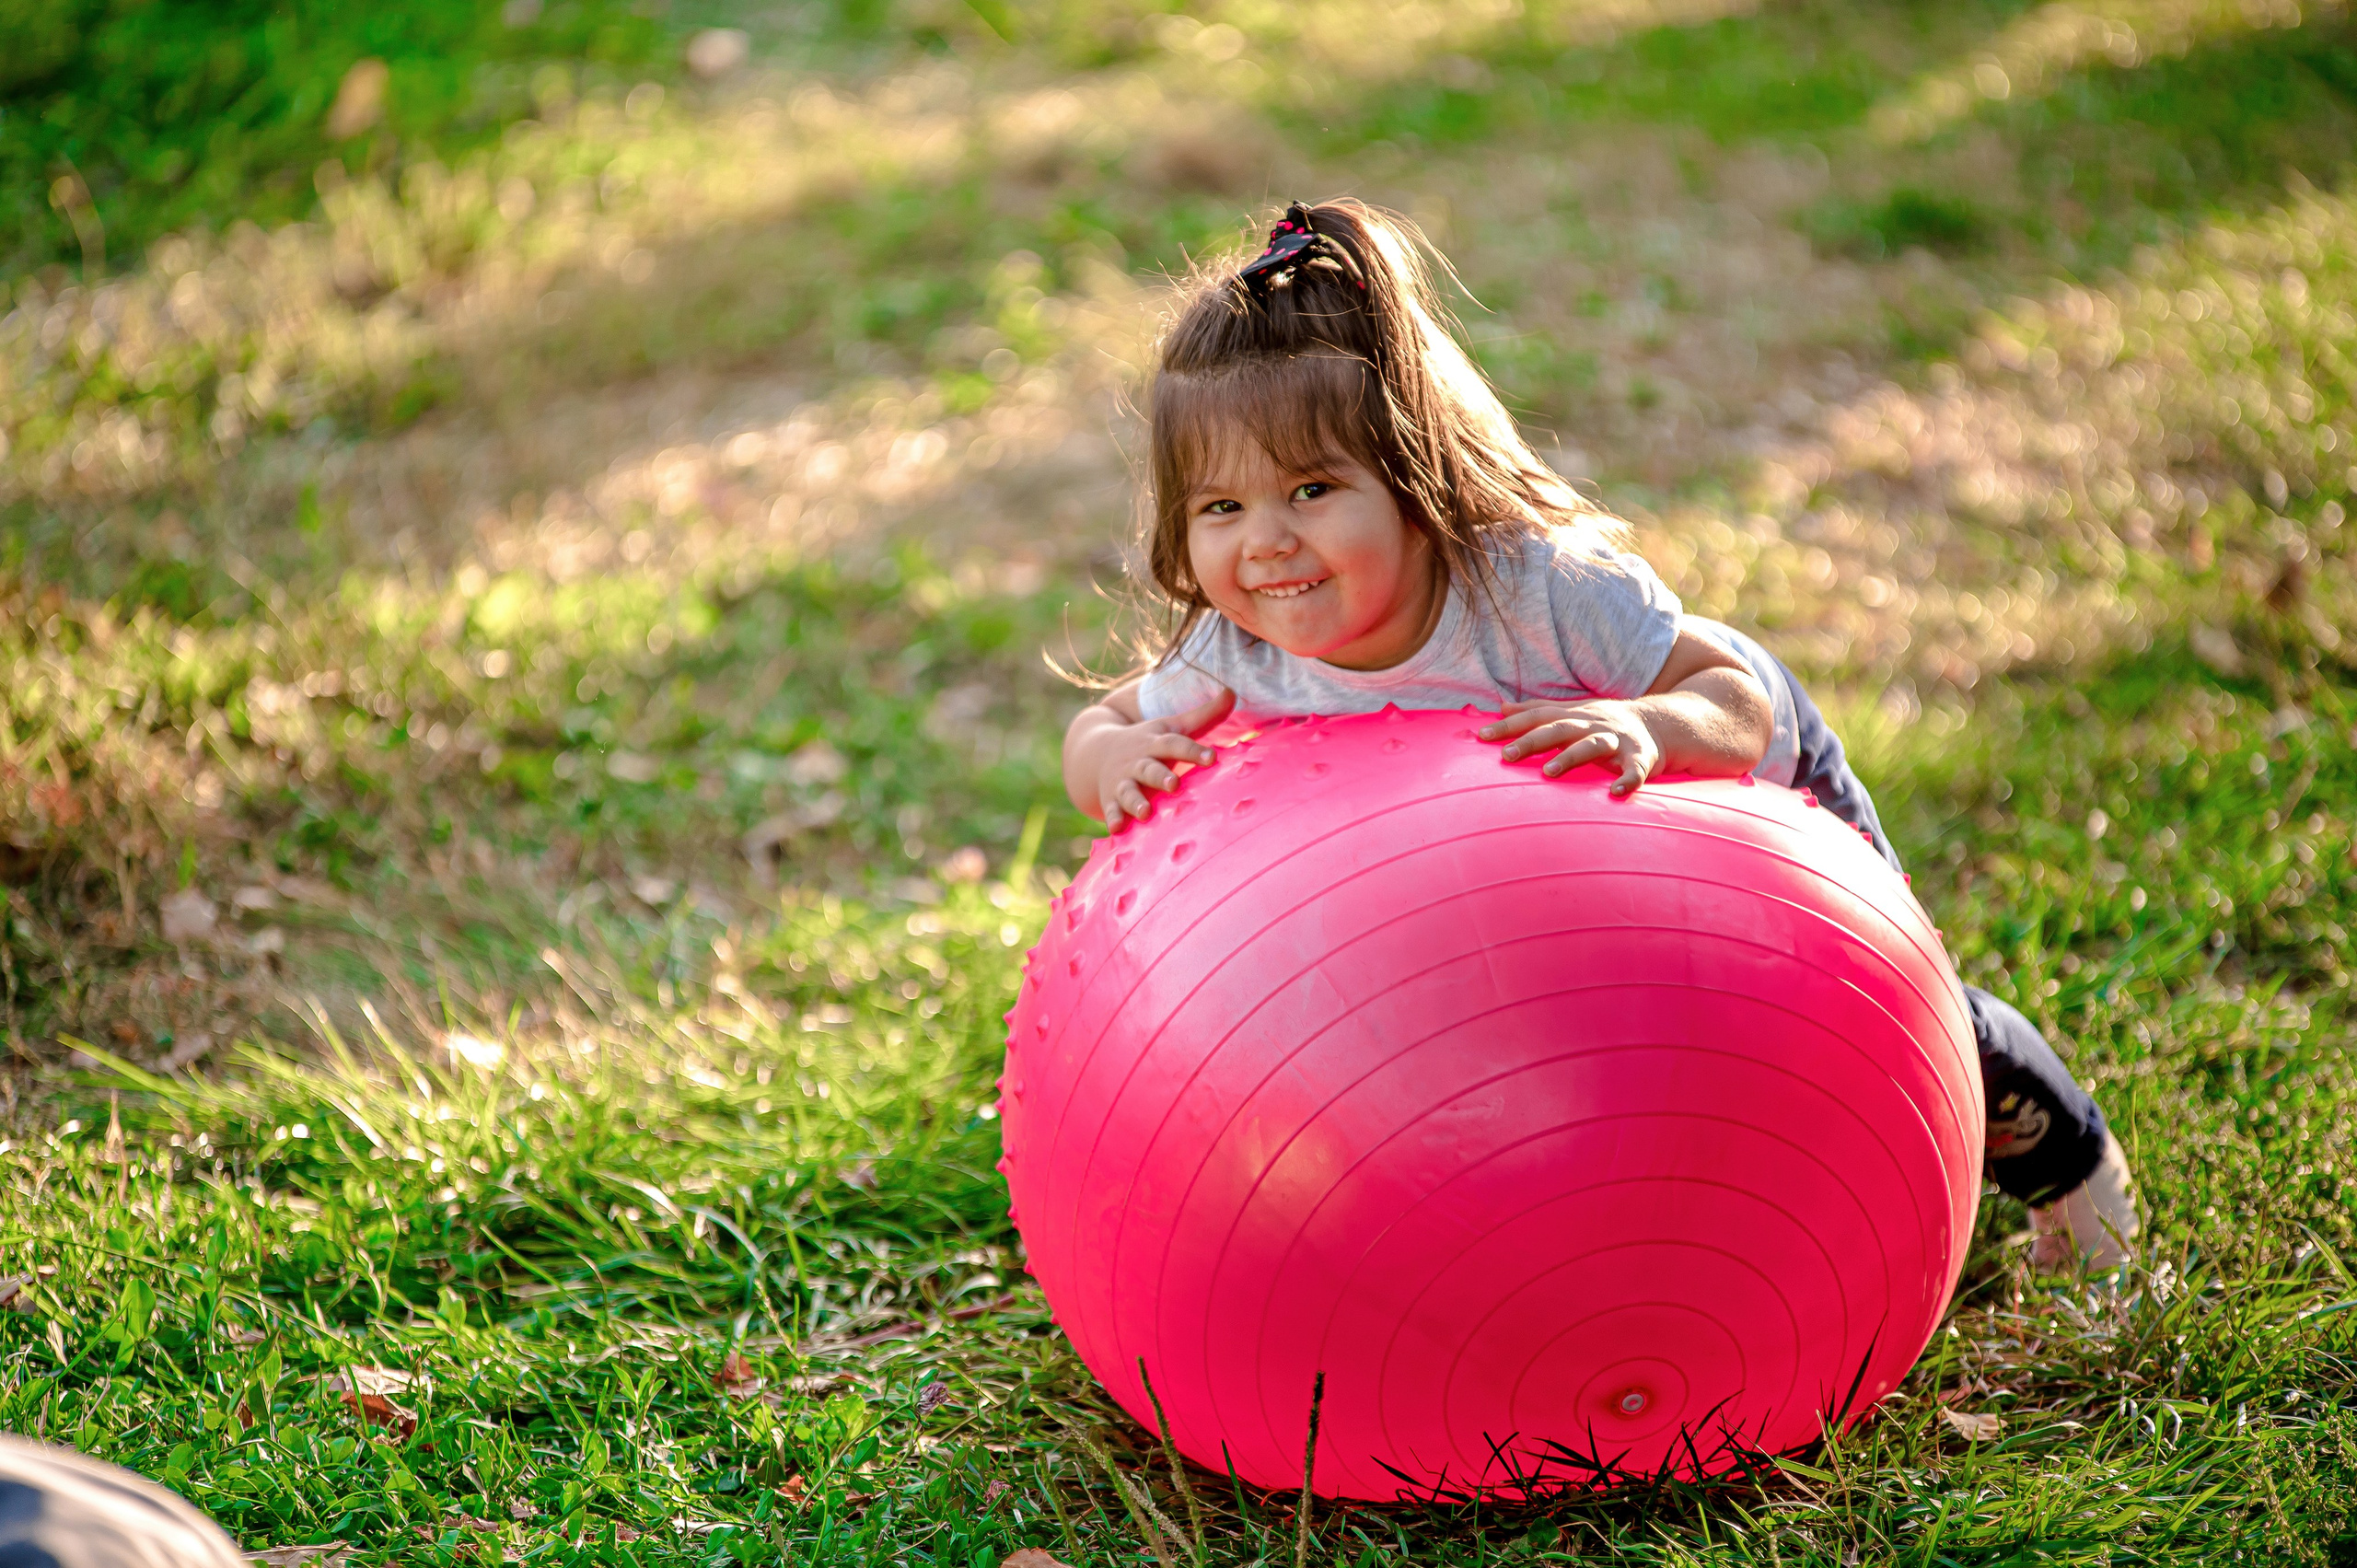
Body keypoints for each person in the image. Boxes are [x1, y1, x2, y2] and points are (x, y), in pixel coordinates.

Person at [1060, 198, 2138, 1270]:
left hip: (1748, 786)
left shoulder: (1540, 594)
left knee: (1891, 1012)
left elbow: (1732, 692)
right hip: (1530, 886)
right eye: (1219, 509)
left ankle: (2079, 1180)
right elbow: (1098, 724)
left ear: (1414, 479)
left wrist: (1650, 726)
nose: (1267, 542)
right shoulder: (1239, 654)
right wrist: (1110, 759)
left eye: (1311, 488)